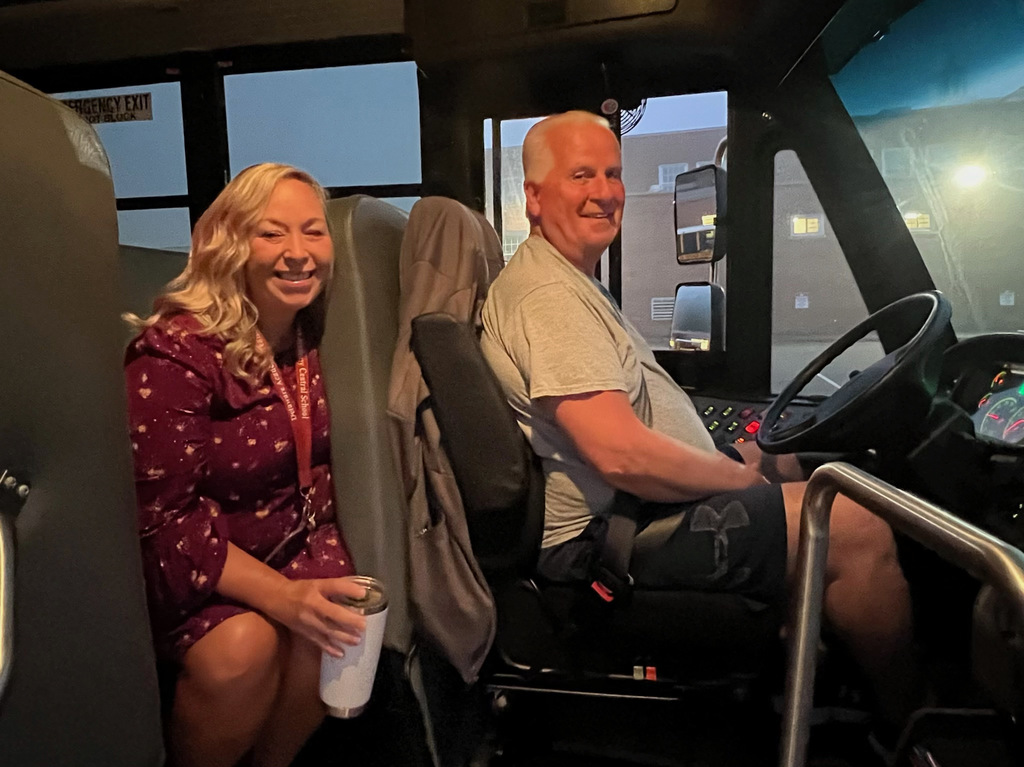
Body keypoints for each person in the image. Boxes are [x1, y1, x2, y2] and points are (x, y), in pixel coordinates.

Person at [480, 111, 919, 735]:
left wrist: (744, 463)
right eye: (581, 175)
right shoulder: (548, 299)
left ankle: (818, 678)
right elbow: (620, 456)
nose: (605, 192)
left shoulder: (570, 282)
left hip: (637, 509)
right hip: (607, 540)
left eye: (613, 173)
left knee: (809, 465)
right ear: (533, 195)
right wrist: (736, 482)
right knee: (855, 523)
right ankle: (910, 729)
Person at [125, 163, 367, 767]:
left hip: (292, 545)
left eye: (313, 232)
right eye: (271, 233)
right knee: (245, 648)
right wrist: (287, 601)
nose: (297, 254)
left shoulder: (317, 335)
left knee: (338, 624)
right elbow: (162, 524)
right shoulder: (175, 351)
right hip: (199, 569)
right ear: (230, 244)